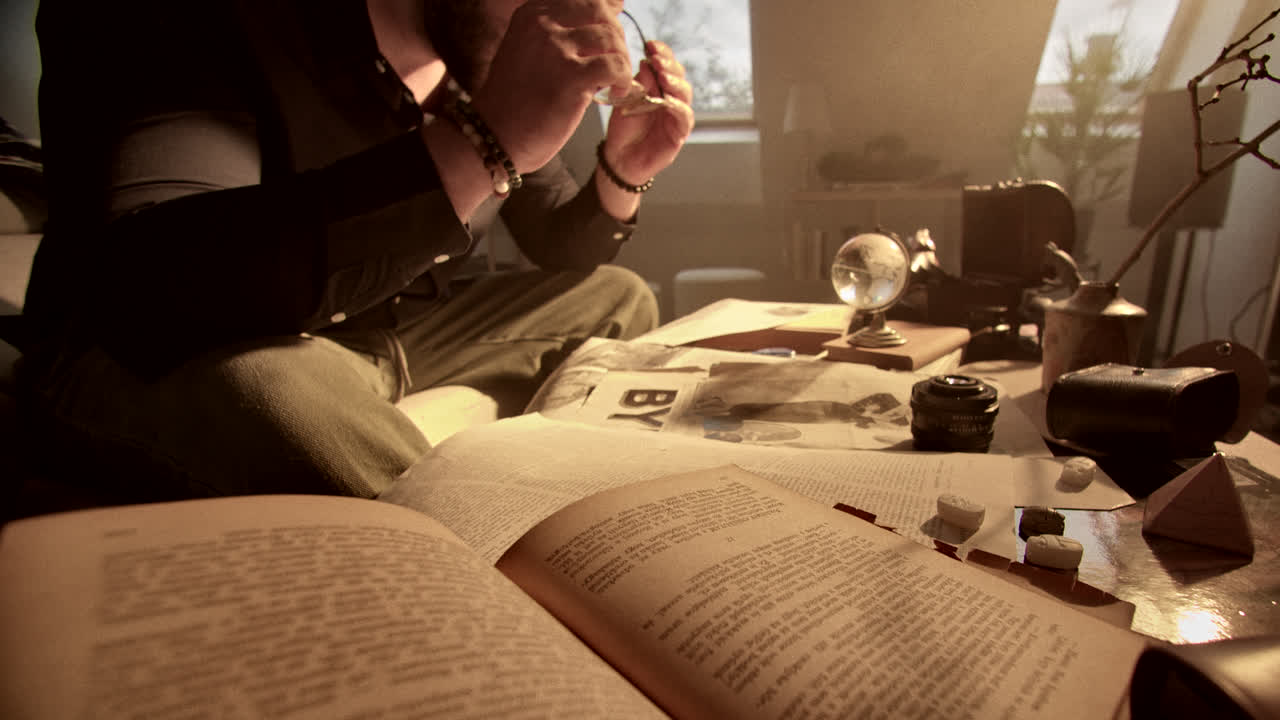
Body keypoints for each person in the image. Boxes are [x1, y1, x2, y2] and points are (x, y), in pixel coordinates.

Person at [18, 0, 695, 501]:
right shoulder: (217, 21)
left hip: (385, 338)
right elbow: (157, 278)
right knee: (277, 391)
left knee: (618, 298)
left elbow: (556, 237)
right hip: (157, 350)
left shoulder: (466, 58)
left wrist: (623, 170)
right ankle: (508, 566)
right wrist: (480, 144)